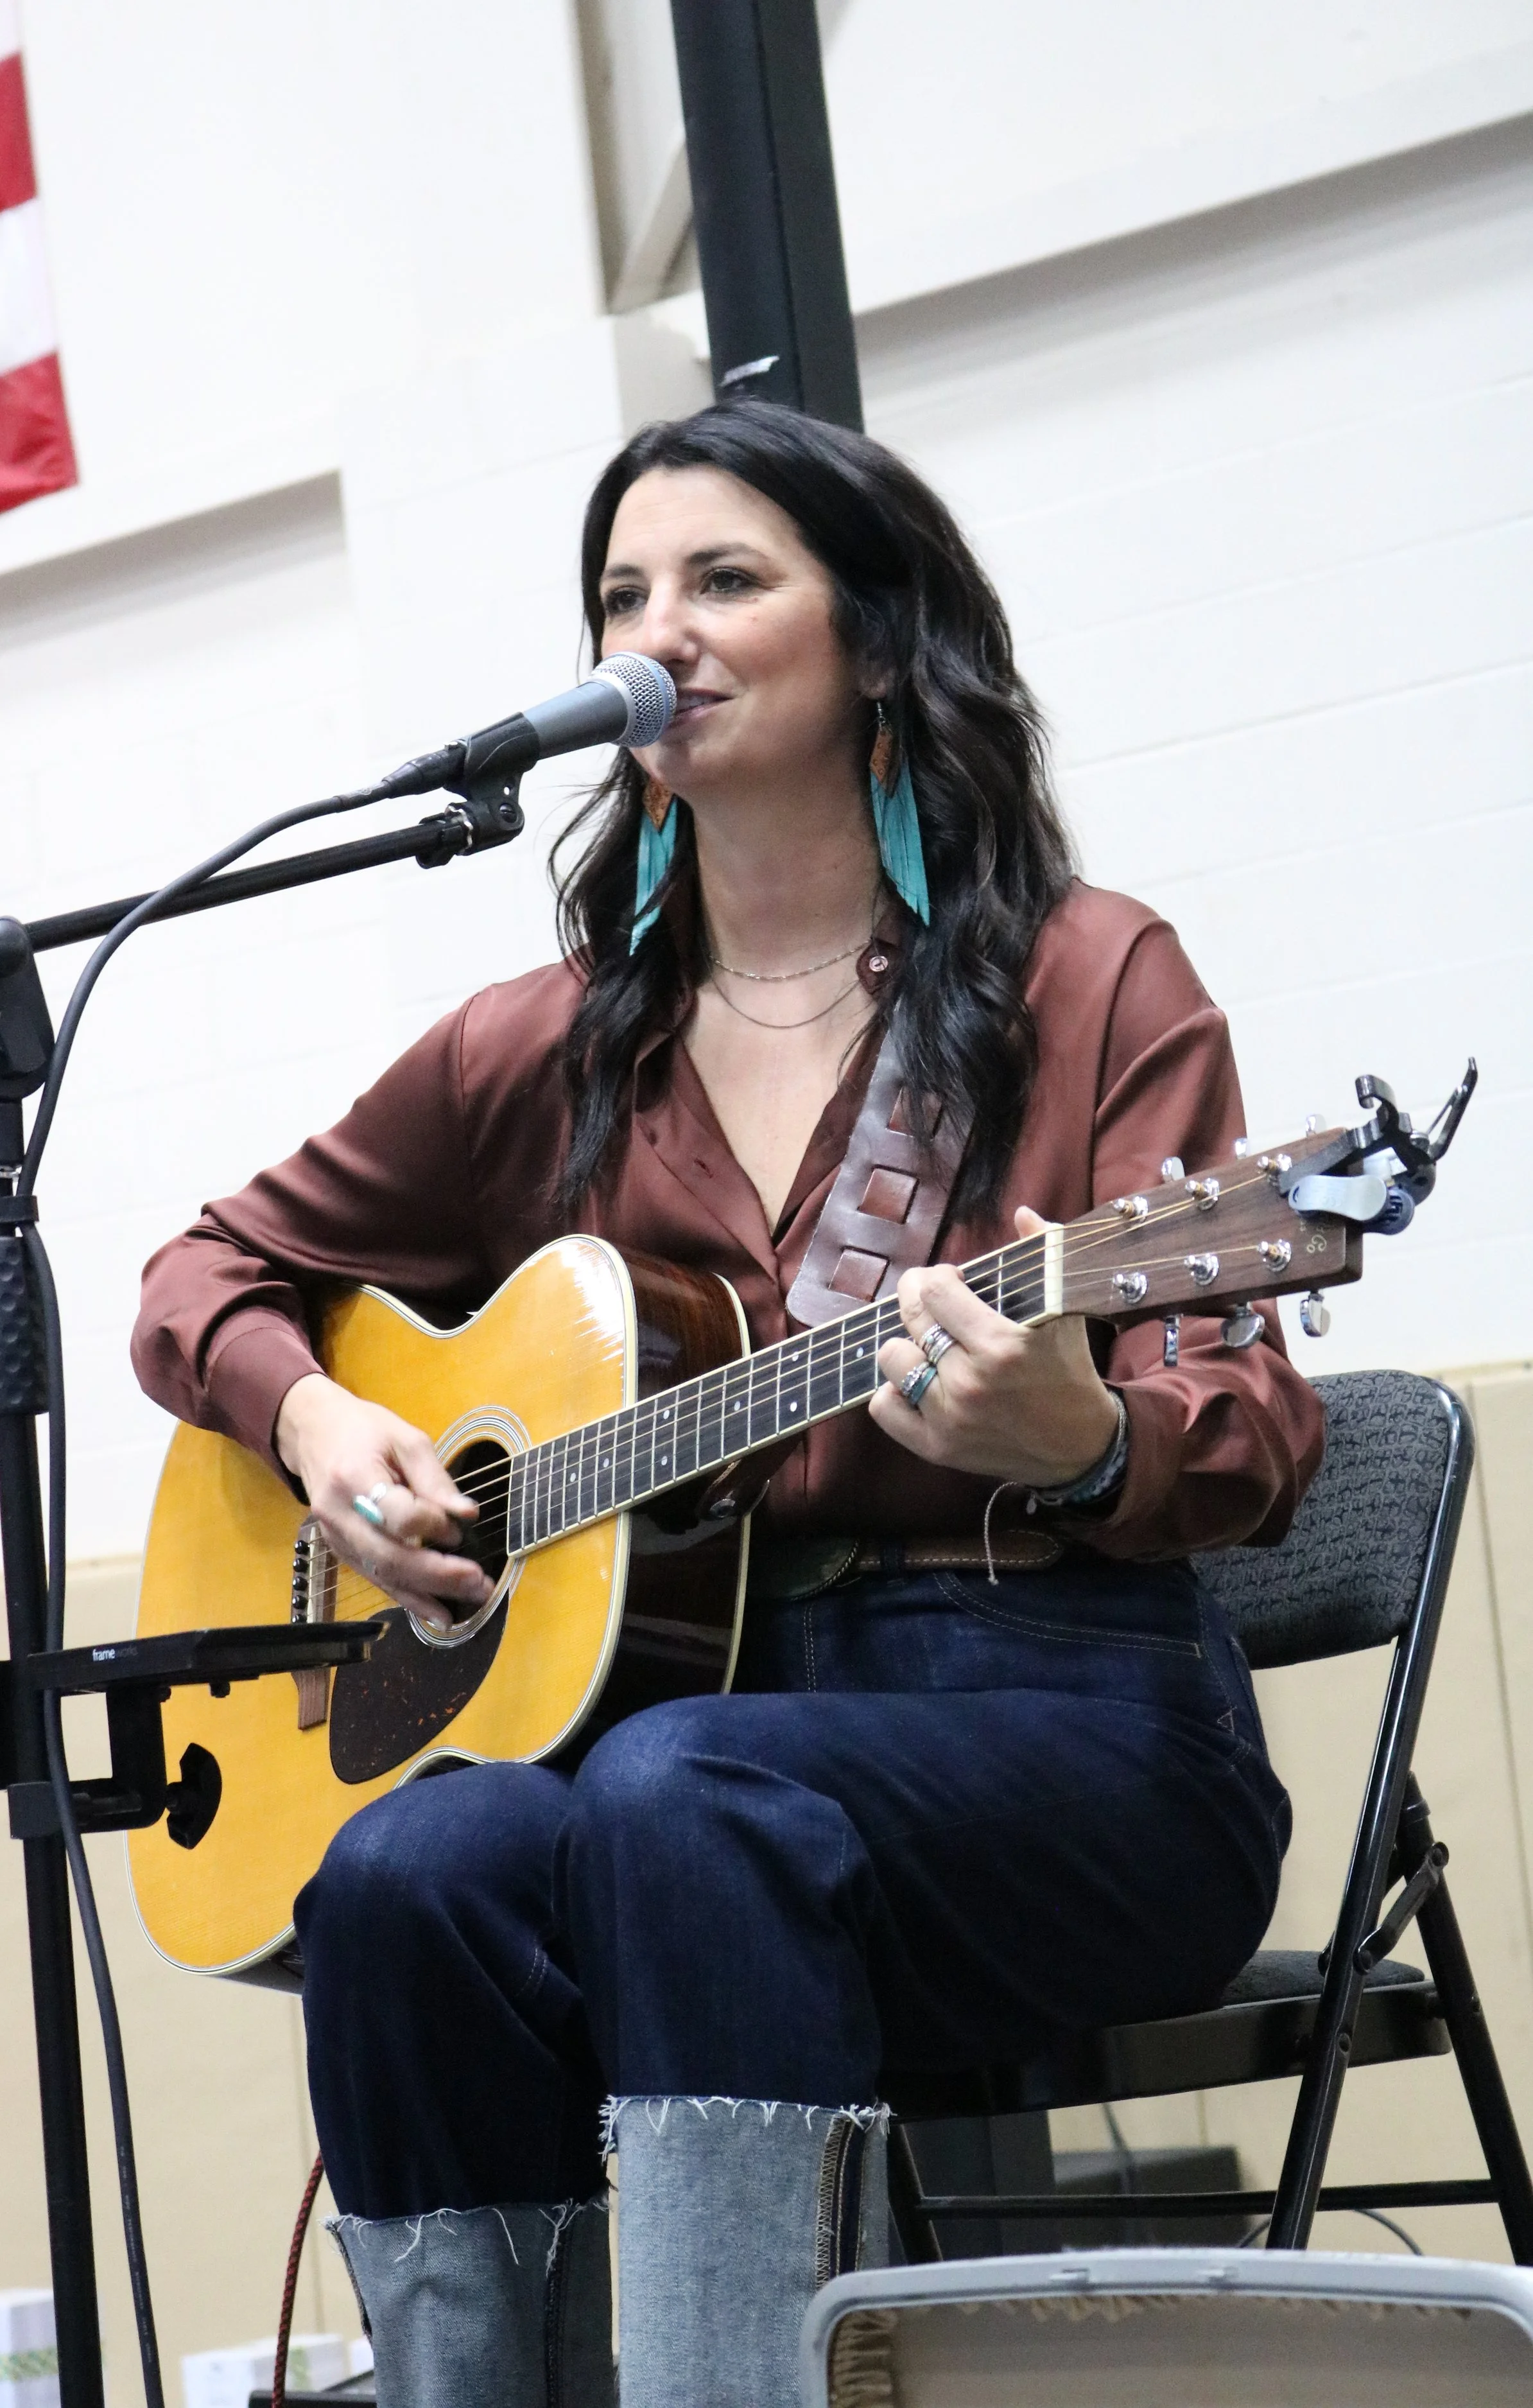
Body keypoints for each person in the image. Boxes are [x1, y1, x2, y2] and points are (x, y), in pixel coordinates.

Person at [134, 402, 1319, 2408]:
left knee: (679, 1796)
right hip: (696, 1767)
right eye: (620, 593)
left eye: (721, 578)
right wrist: (325, 1430)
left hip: (1071, 1726)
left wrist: (1089, 1441)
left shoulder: (1085, 977)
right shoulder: (553, 1046)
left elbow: (1257, 1426)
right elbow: (200, 1281)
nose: (655, 629)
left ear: (874, 641)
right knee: (402, 1875)